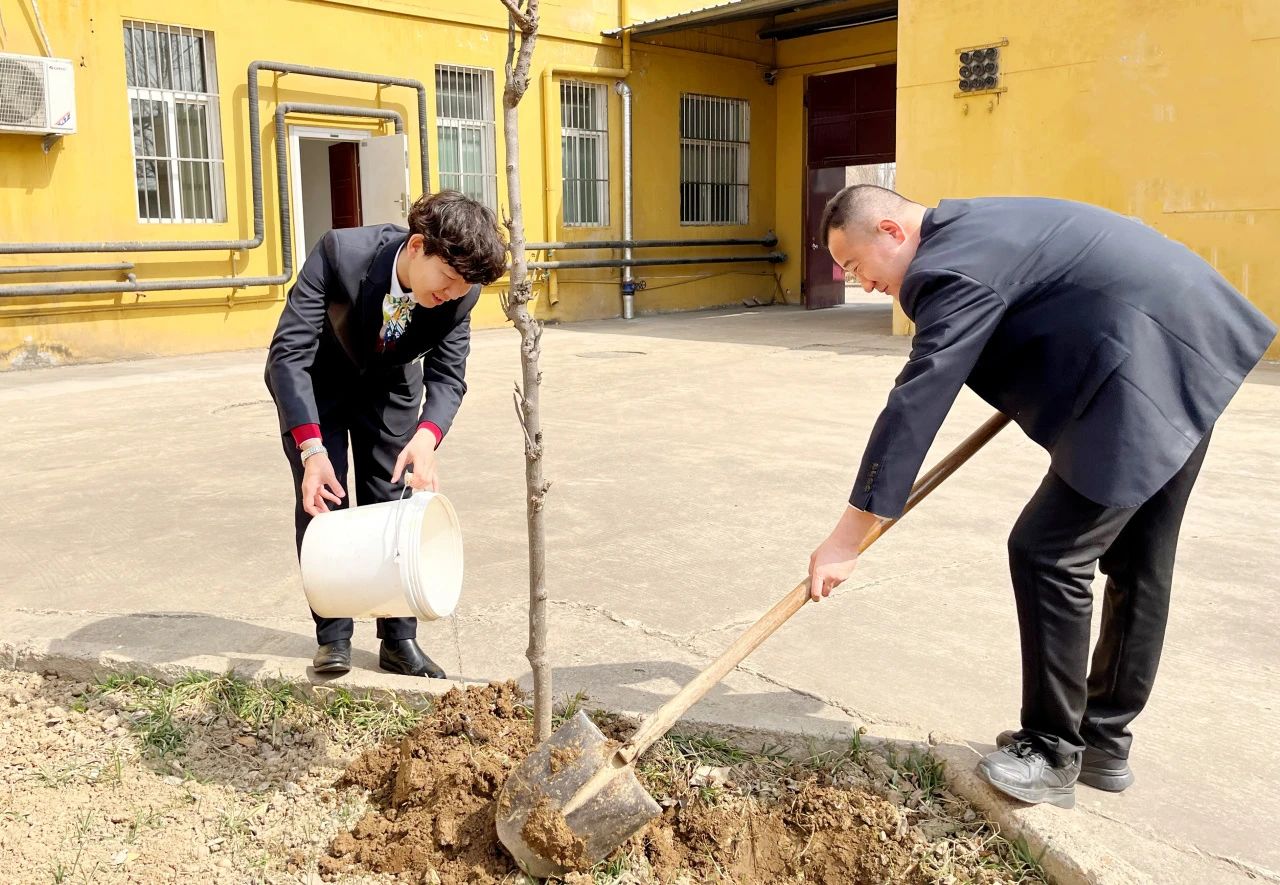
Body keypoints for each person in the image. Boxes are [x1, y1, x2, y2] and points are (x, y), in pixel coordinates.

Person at [808, 186, 1276, 808]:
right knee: (1139, 559)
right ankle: (1103, 742)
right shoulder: (978, 224)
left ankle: (1052, 750)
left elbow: (919, 396)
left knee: (1046, 552)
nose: (862, 284)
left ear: (892, 232)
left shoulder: (945, 268)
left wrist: (850, 535)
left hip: (1143, 370)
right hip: (1187, 341)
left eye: (856, 266)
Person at [266, 190, 507, 678]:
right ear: (418, 246)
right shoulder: (339, 252)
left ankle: (399, 641)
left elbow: (448, 376)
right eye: (449, 279)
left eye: (465, 287)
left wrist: (428, 435)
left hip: (392, 387)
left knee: (393, 504)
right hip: (320, 384)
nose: (454, 293)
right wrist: (310, 449)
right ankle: (332, 637)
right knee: (325, 503)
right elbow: (286, 356)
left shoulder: (462, 293)